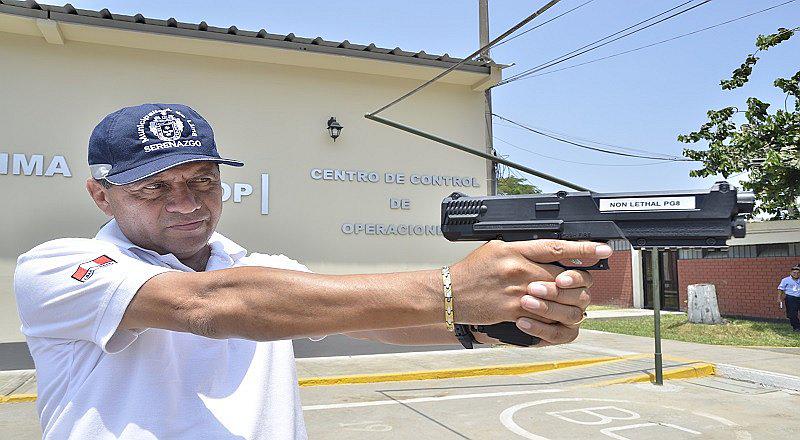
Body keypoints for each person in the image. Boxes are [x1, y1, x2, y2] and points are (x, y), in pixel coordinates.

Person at [14, 103, 609, 439]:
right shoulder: (59, 267)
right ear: (101, 195)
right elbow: (205, 307)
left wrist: (499, 320)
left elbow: (370, 324)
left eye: (203, 181)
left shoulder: (264, 271)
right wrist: (451, 288)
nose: (187, 203)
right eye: (155, 188)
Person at [778, 264, 800, 331]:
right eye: (794, 273)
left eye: (798, 273)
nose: (796, 274)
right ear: (790, 273)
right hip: (790, 298)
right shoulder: (785, 280)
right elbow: (780, 289)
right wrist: (779, 298)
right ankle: (796, 327)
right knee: (792, 314)